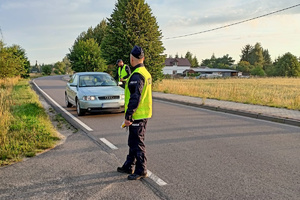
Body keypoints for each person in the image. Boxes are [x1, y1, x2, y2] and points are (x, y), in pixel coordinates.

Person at [117, 45, 152, 180]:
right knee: (133, 141)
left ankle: (141, 169)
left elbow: (135, 97)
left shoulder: (137, 75)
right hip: (141, 113)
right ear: (142, 58)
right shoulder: (145, 73)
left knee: (137, 143)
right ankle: (129, 165)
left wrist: (128, 116)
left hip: (137, 115)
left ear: (132, 58)